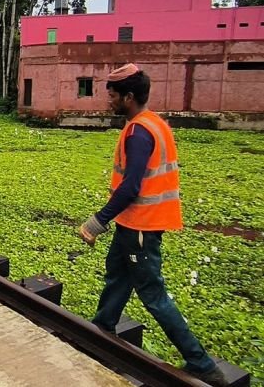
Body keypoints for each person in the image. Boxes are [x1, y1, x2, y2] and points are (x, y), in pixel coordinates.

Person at [79, 64, 227, 387]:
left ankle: (201, 364)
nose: (109, 101)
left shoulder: (139, 132)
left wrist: (96, 222)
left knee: (152, 294)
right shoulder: (154, 124)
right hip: (132, 225)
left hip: (141, 229)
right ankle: (101, 330)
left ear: (129, 97)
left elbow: (130, 187)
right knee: (117, 276)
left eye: (114, 96)